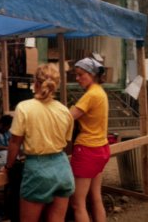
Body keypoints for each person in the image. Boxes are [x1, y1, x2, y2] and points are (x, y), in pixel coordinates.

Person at [3, 63, 75, 222]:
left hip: (38, 170)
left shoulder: (24, 108)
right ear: (56, 85)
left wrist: (8, 166)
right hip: (62, 169)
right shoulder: (64, 110)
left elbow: (15, 143)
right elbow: (67, 144)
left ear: (35, 83)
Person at [69, 57, 109, 222]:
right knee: (95, 196)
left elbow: (68, 118)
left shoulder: (90, 94)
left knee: (77, 204)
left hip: (87, 150)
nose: (77, 78)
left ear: (91, 74)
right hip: (101, 148)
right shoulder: (100, 91)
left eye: (80, 74)